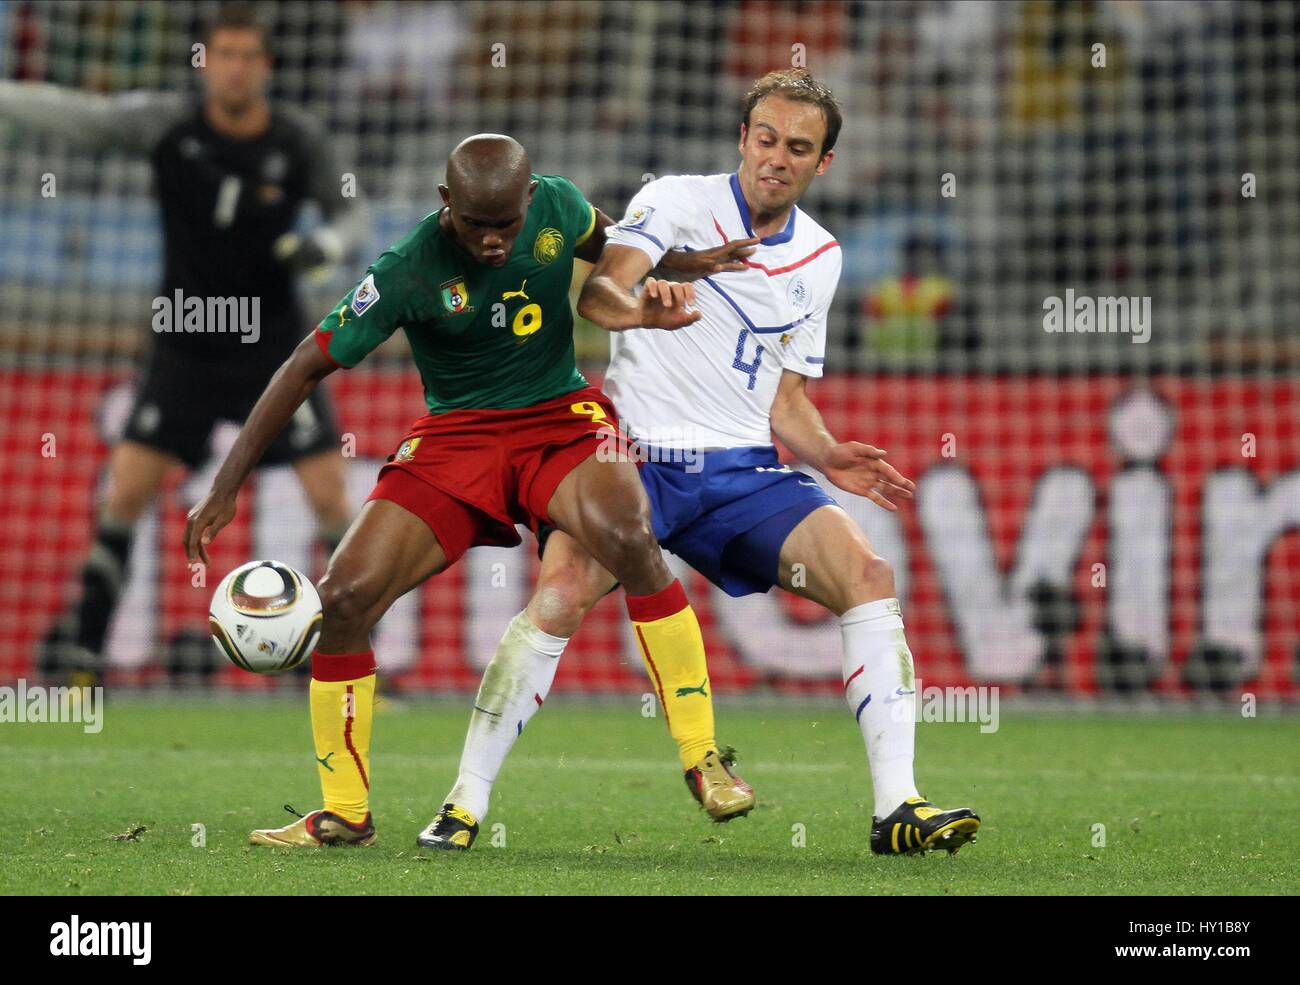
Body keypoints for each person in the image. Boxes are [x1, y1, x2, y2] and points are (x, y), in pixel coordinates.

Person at [422, 70, 980, 857]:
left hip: (742, 472)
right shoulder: (674, 200)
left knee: (868, 577)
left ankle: (899, 807)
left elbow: (787, 401)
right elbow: (601, 296)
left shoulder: (822, 256)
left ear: (823, 164)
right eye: (765, 139)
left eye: (798, 148)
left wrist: (827, 454)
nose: (776, 159)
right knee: (558, 595)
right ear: (742, 140)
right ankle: (462, 802)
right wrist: (646, 307)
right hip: (633, 458)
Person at [183, 132, 758, 849]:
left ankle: (702, 757)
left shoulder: (558, 206)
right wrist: (225, 485)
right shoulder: (407, 269)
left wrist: (689, 261)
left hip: (559, 417)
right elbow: (302, 367)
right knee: (345, 598)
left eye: (506, 224)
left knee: (631, 538)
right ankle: (343, 813)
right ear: (444, 202)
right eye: (476, 224)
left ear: (528, 201)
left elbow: (621, 246)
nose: (492, 241)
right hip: (457, 436)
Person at [0, 1, 365, 683]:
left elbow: (351, 216)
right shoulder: (167, 124)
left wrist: (325, 244)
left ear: (267, 67)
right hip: (186, 343)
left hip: (276, 351)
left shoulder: (297, 139)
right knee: (126, 493)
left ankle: (355, 659)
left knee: (331, 501)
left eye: (246, 57)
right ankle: (82, 660)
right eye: (221, 55)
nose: (232, 69)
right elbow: (80, 117)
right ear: (206, 64)